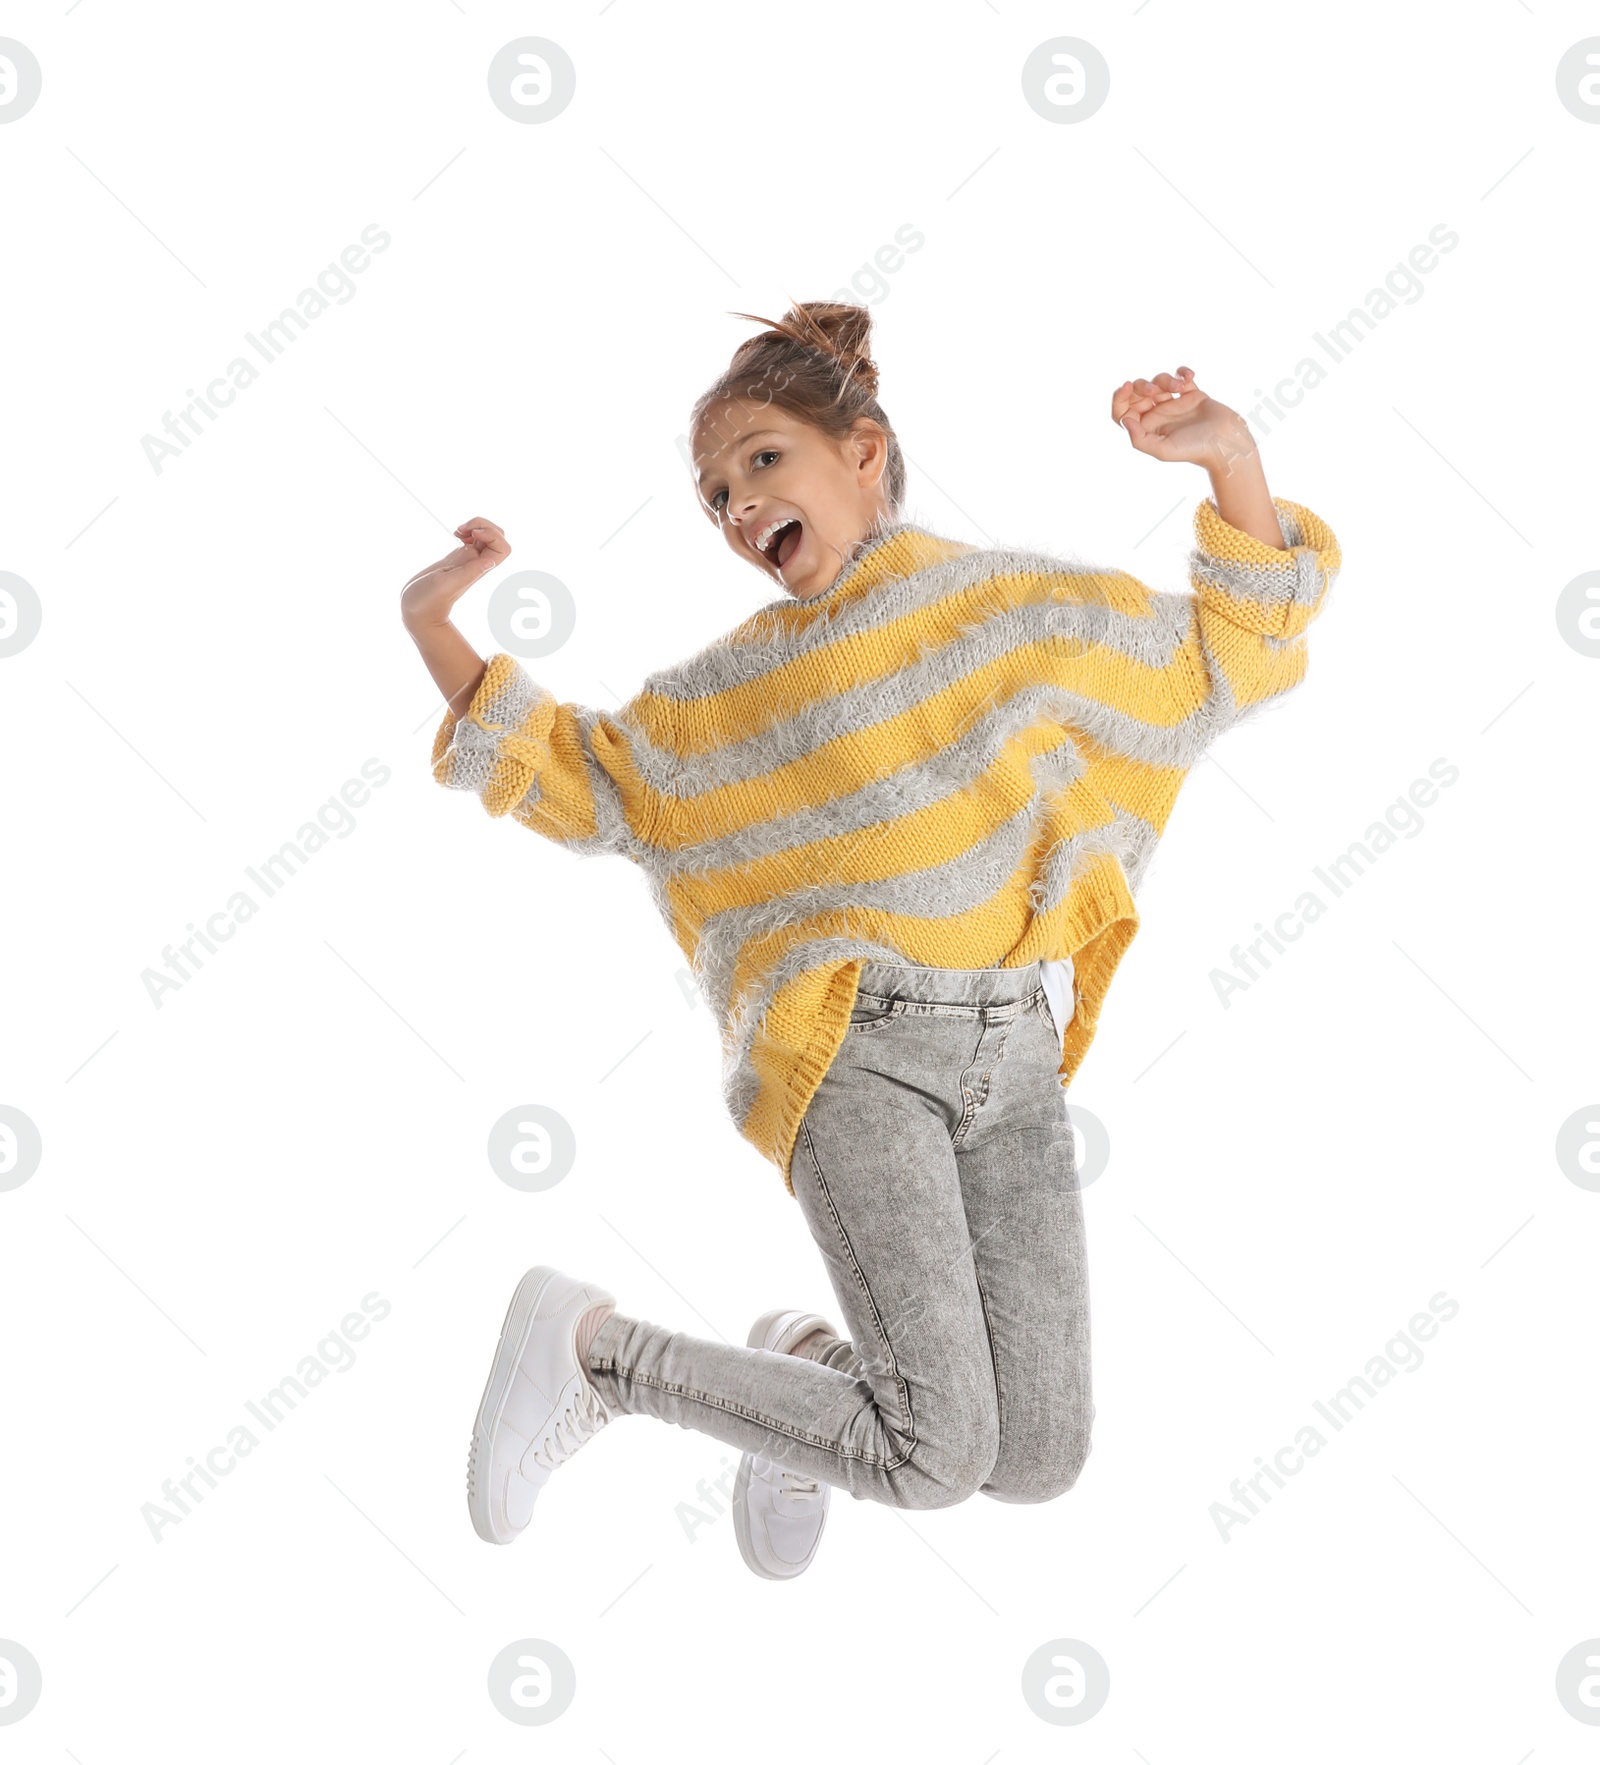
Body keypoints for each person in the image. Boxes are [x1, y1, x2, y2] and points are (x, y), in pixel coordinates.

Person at [401, 301, 1342, 1580]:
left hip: (1012, 1059)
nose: (737, 507)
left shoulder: (1010, 606)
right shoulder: (729, 693)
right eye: (716, 495)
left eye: (761, 463)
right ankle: (595, 1353)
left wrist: (1230, 457)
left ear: (862, 451)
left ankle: (797, 1381)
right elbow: (587, 780)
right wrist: (433, 627)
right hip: (856, 1051)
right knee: (930, 1452)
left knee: (1037, 1456)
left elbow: (1222, 657)